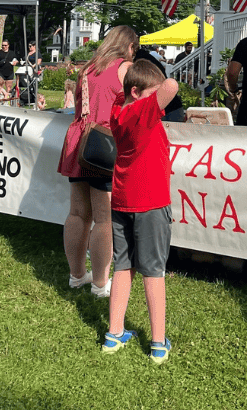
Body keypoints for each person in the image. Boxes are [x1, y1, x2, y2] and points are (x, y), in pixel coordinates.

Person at [103, 60, 178, 363]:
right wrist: (156, 90)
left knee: (122, 266)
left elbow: (123, 88)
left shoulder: (120, 109)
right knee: (153, 270)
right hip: (150, 202)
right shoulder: (141, 111)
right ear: (137, 92)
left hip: (123, 199)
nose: (158, 100)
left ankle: (114, 333)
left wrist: (135, 76)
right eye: (152, 94)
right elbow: (172, 87)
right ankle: (158, 343)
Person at [57, 25, 139, 298]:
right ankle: (101, 284)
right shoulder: (124, 68)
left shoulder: (87, 68)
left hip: (78, 140)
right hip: (104, 143)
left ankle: (76, 275)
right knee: (104, 218)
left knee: (77, 213)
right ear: (129, 46)